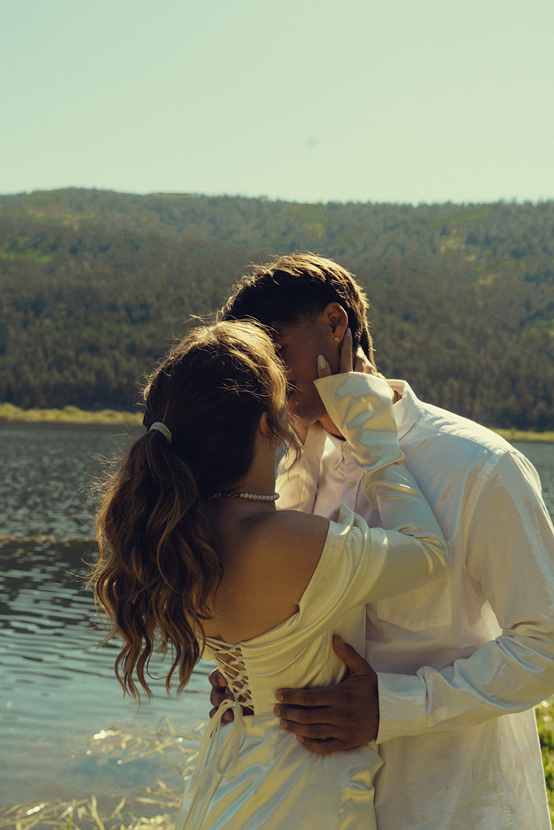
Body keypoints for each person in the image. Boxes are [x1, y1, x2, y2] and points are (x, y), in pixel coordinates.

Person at [213, 253, 554, 830]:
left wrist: (390, 709)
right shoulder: (279, 471)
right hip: (317, 809)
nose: (265, 377)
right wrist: (251, 672)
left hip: (450, 808)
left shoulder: (480, 466)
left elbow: (546, 646)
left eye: (276, 349)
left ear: (335, 324)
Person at [92, 319, 450, 830]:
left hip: (230, 783)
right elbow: (428, 553)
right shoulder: (282, 544)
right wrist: (375, 439)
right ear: (266, 423)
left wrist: (305, 440)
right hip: (300, 798)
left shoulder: (181, 537)